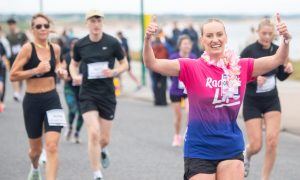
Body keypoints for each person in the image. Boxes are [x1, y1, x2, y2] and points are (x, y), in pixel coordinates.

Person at [143, 14, 291, 180]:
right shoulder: (191, 67)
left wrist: (285, 40)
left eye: (219, 34)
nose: (215, 39)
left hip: (230, 146)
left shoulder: (241, 66)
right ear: (202, 40)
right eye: (209, 35)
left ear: (226, 37)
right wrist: (148, 39)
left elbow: (278, 59)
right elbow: (152, 63)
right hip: (199, 149)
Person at [69, 9, 128, 180]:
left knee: (104, 139)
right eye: (92, 21)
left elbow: (125, 65)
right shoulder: (81, 44)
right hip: (88, 93)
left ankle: (102, 149)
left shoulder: (113, 43)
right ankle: (97, 173)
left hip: (107, 95)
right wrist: (74, 76)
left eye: (98, 21)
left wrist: (114, 71)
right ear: (87, 23)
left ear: (102, 23)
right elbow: (73, 64)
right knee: (93, 133)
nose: (96, 24)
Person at [9, 13, 67, 180]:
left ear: (49, 29)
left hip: (52, 100)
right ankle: (34, 168)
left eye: (46, 26)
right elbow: (13, 75)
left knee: (52, 146)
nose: (43, 29)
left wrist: (61, 71)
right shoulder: (28, 49)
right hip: (32, 102)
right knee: (35, 151)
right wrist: (35, 70)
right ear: (32, 29)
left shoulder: (55, 48)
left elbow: (58, 64)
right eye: (39, 26)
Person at [241, 18, 293, 180]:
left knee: (272, 142)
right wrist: (254, 79)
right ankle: (247, 154)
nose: (267, 36)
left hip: (271, 101)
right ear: (258, 32)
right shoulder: (248, 51)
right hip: (252, 101)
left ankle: (265, 178)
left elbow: (280, 75)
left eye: (270, 34)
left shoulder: (278, 50)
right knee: (256, 145)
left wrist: (288, 71)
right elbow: (238, 76)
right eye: (264, 33)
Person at [168, 35, 196, 147]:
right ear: (179, 46)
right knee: (178, 116)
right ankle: (176, 135)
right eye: (184, 44)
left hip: (189, 90)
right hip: (175, 90)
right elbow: (170, 73)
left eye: (188, 44)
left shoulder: (194, 57)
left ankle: (188, 134)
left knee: (189, 113)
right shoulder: (174, 57)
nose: (187, 46)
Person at [62, 38, 84, 143]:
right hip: (69, 87)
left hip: (82, 89)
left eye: (77, 44)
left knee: (82, 113)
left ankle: (77, 133)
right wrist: (65, 76)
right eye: (73, 44)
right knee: (73, 109)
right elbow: (62, 69)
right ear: (70, 45)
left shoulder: (85, 57)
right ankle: (70, 127)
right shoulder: (66, 57)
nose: (75, 46)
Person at [6, 18, 28, 102]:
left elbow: (26, 42)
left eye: (12, 24)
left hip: (22, 58)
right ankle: (16, 92)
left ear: (15, 24)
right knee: (14, 74)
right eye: (9, 25)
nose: (11, 26)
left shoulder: (21, 34)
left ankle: (18, 91)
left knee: (21, 76)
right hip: (12, 58)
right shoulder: (8, 36)